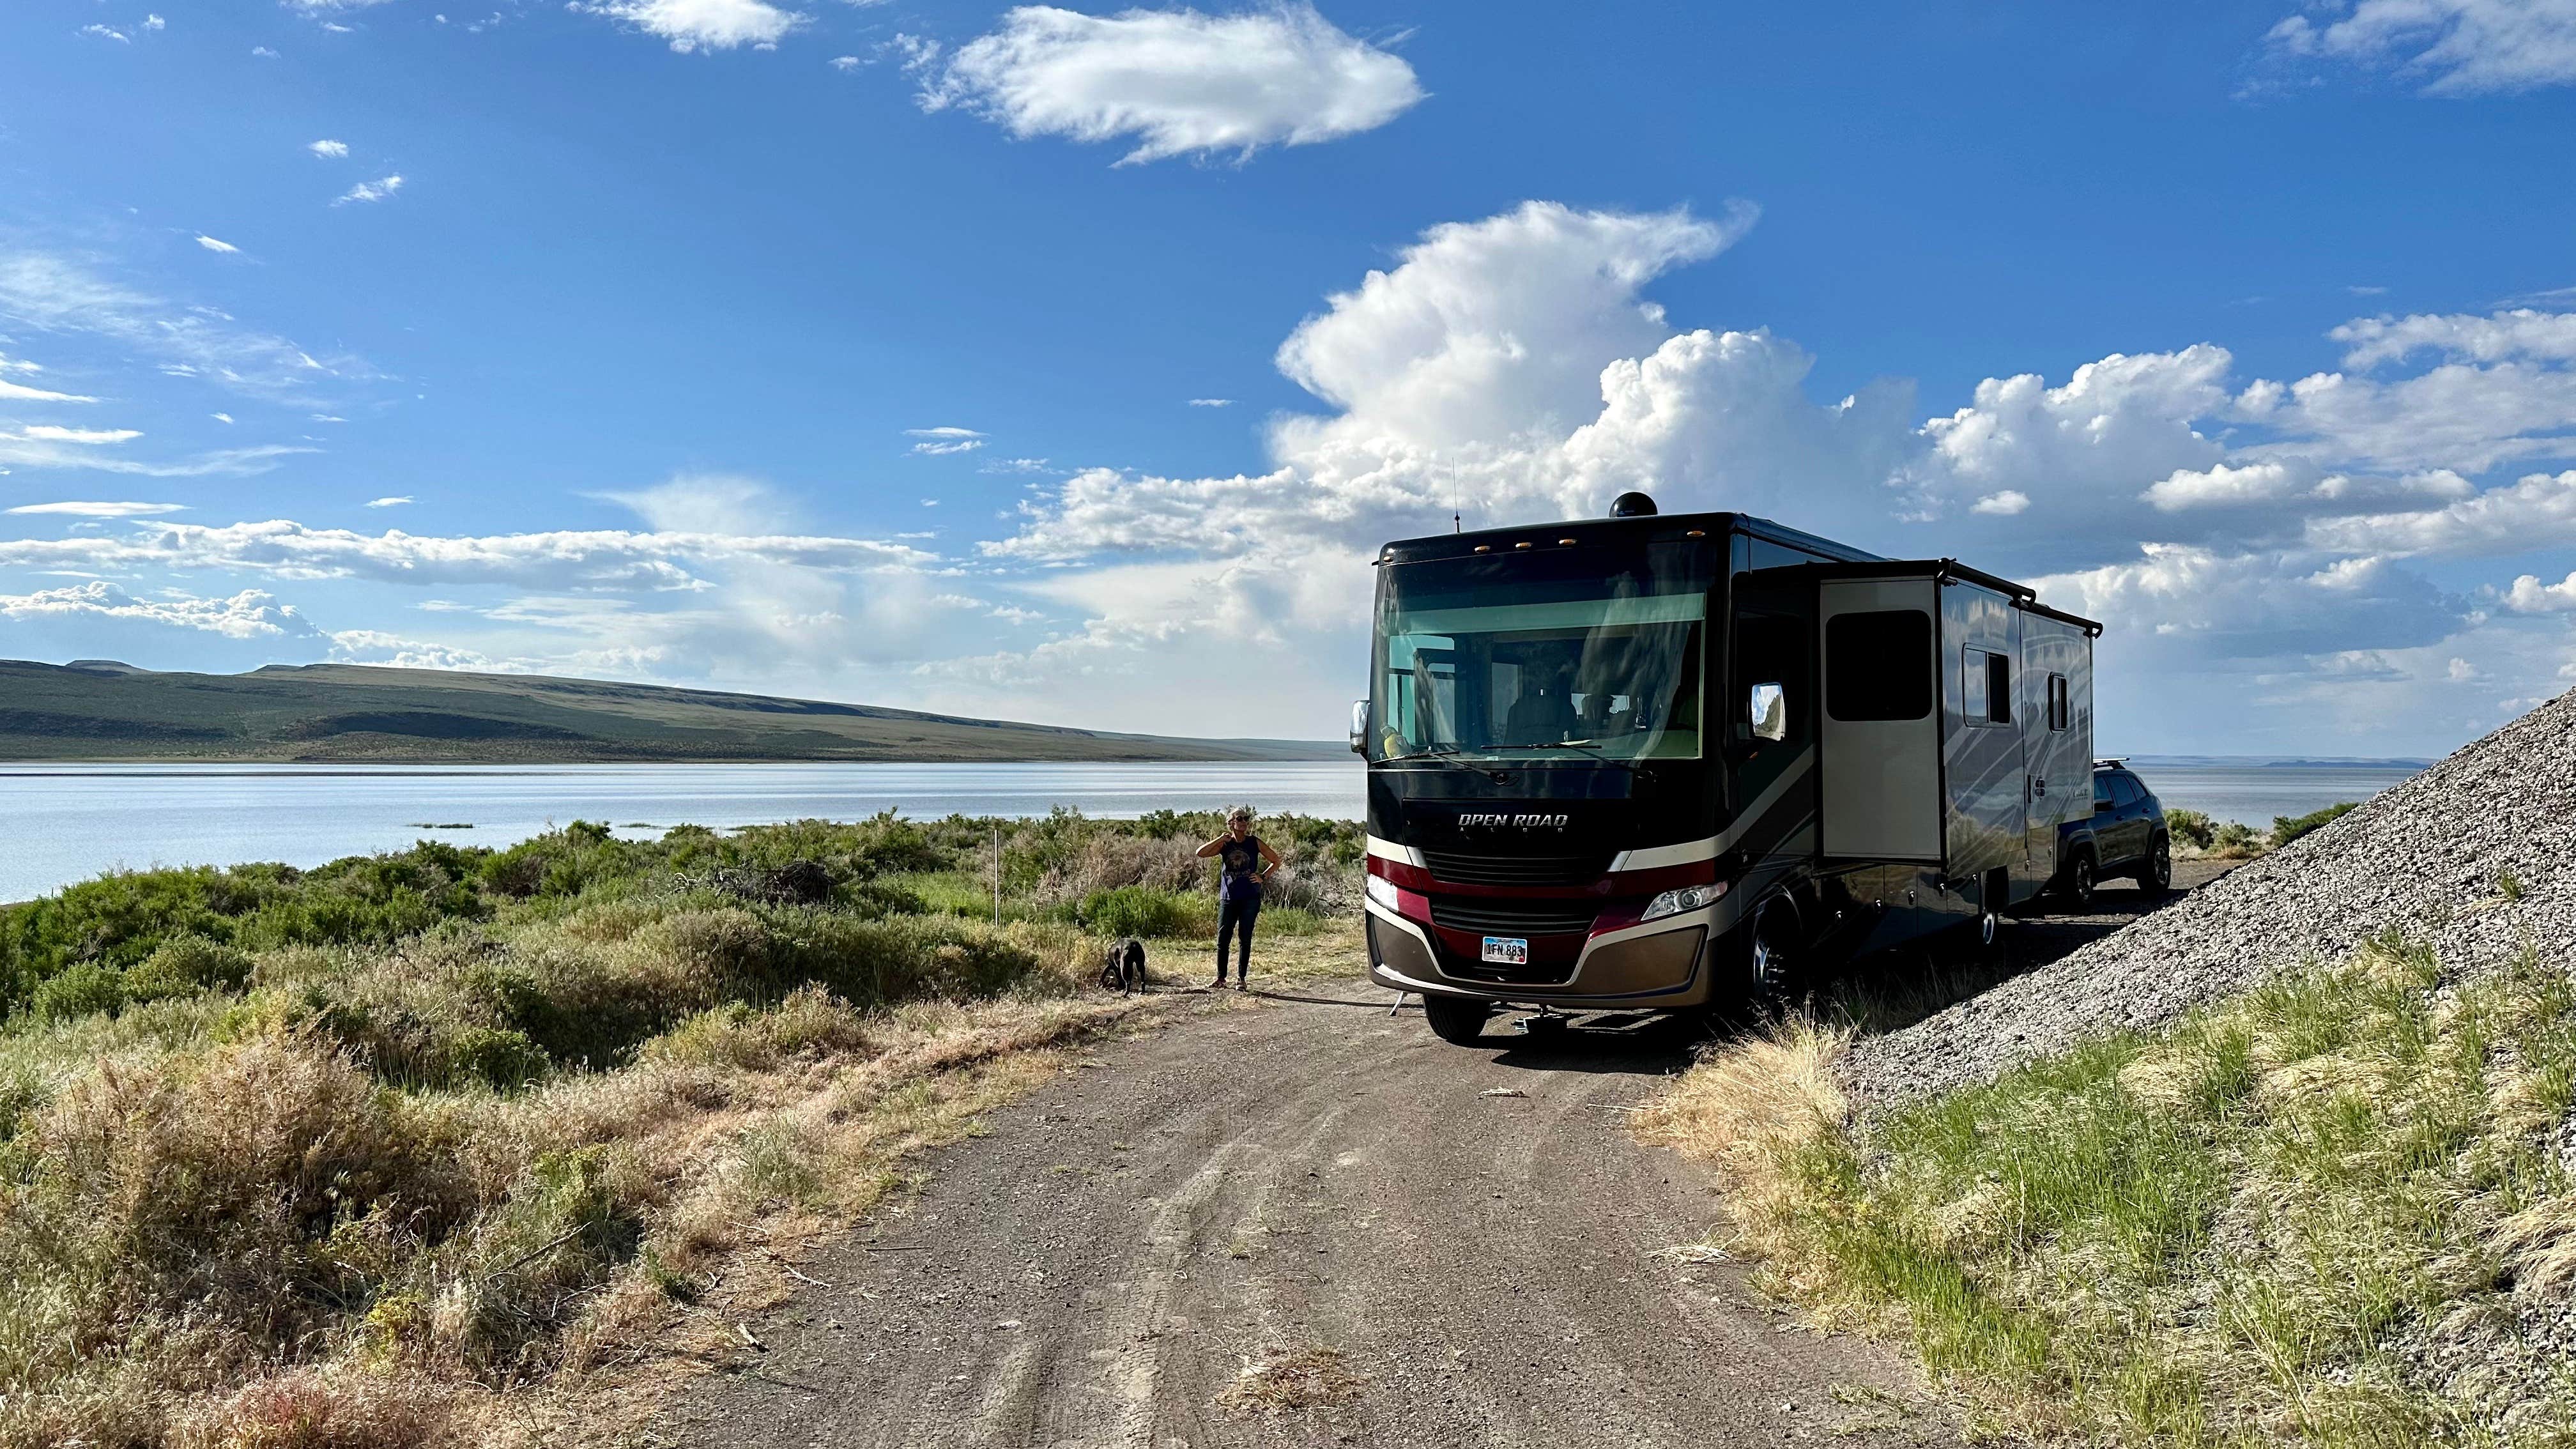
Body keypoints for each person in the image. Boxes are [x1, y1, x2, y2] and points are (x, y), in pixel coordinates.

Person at [1196, 806, 1282, 989]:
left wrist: (1263, 877)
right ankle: (1221, 979)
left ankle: (1241, 979)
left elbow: (1276, 860)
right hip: (1228, 897)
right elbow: (1200, 853)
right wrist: (1220, 839)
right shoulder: (1225, 844)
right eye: (1240, 818)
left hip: (1250, 898)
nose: (1244, 822)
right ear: (1231, 823)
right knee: (1223, 938)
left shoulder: (1254, 842)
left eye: (1246, 818)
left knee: (1245, 937)